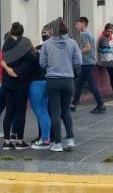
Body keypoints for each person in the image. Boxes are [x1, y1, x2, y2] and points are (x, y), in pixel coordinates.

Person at [35, 18, 83, 152]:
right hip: (68, 80)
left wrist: (52, 65)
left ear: (52, 30)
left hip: (53, 80)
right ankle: (70, 139)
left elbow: (42, 63)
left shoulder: (46, 44)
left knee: (55, 112)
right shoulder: (72, 43)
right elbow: (78, 61)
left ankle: (57, 143)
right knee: (66, 110)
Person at [0, 23, 34, 150]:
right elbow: (33, 58)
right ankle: (19, 141)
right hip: (19, 83)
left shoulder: (6, 45)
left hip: (7, 84)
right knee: (20, 112)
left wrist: (5, 66)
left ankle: (6, 141)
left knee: (9, 112)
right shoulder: (21, 47)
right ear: (21, 33)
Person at [72, 17, 106, 113]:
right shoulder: (89, 33)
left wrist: (77, 52)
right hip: (88, 62)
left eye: (77, 24)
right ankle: (73, 104)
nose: (76, 26)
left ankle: (101, 104)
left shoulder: (84, 35)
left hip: (87, 63)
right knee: (79, 84)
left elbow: (88, 48)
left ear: (83, 23)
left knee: (91, 85)